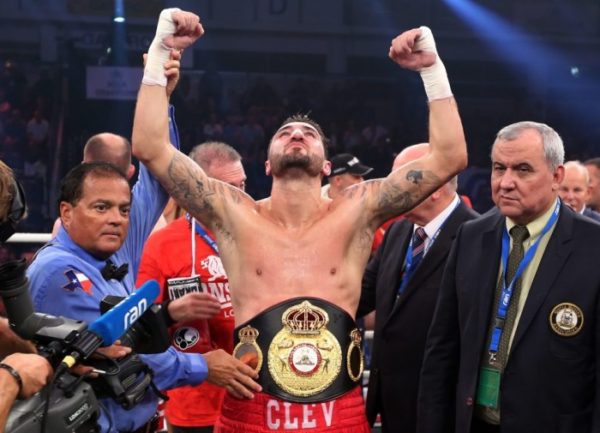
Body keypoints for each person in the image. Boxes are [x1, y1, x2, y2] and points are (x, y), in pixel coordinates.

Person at [133, 9, 467, 433]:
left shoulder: (359, 209)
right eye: (284, 132)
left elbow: (450, 157)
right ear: (267, 164)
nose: (296, 134)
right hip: (252, 410)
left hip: (338, 413)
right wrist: (160, 50)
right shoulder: (234, 213)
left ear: (327, 165)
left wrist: (432, 71)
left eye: (308, 133)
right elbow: (150, 145)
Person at [418, 121, 600, 433]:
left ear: (556, 177)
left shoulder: (593, 246)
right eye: (499, 168)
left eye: (523, 170)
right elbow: (442, 349)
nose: (505, 182)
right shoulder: (470, 236)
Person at [357, 143, 478, 433]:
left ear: (435, 185)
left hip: (444, 409)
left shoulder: (479, 237)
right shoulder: (398, 232)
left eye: (400, 178)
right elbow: (359, 297)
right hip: (391, 404)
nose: (389, 188)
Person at [137, 142, 247, 433]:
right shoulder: (162, 245)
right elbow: (138, 325)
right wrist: (171, 311)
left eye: (243, 185)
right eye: (229, 188)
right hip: (196, 403)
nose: (240, 197)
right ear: (197, 189)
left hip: (256, 396)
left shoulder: (260, 234)